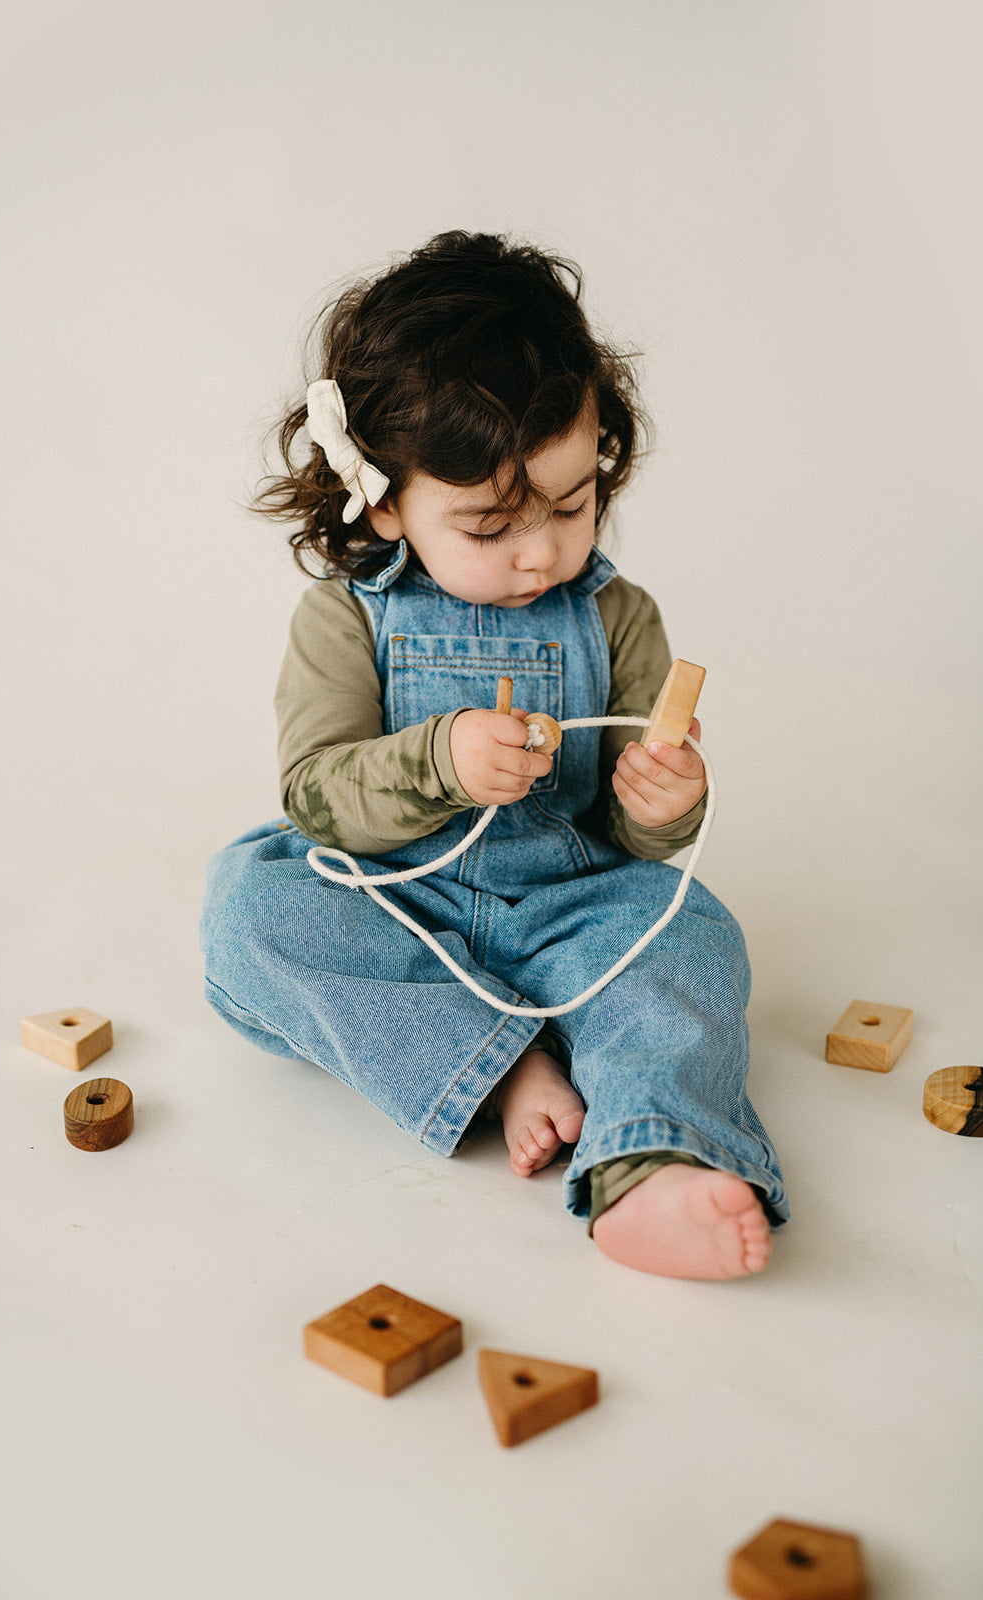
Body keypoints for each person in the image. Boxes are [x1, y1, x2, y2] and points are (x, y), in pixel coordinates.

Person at [200, 231, 789, 1280]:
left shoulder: (616, 617)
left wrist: (662, 800)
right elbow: (316, 799)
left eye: (569, 505)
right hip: (394, 904)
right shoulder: (346, 620)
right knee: (250, 911)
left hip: (569, 904)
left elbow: (633, 835)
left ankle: (645, 1162)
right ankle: (509, 1059)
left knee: (692, 943)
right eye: (488, 526)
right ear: (384, 501)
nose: (538, 551)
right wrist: (434, 765)